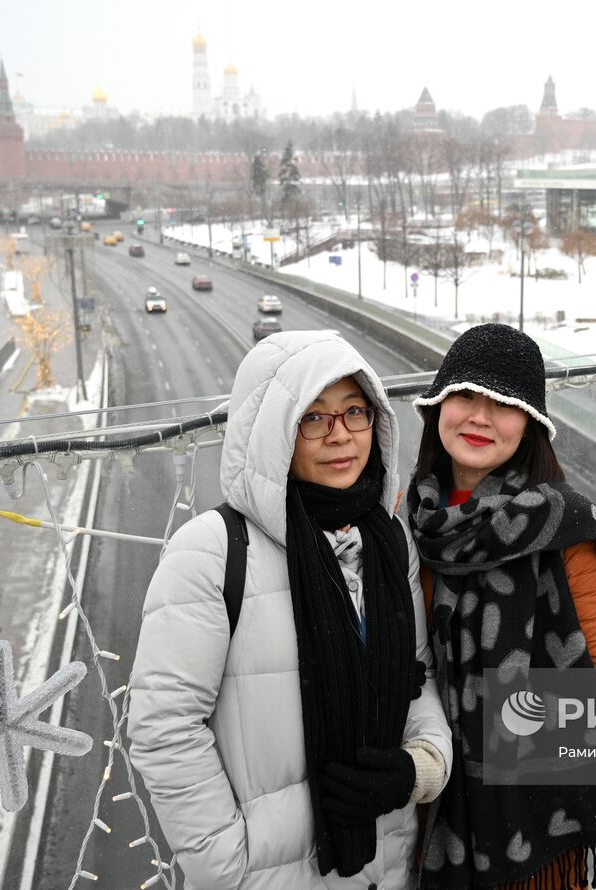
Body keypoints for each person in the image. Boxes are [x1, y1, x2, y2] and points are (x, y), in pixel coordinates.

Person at [129, 331, 452, 888]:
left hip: (385, 866)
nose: (340, 436)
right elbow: (164, 727)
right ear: (273, 432)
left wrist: (419, 768)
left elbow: (415, 682)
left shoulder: (388, 543)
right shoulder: (212, 551)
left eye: (355, 413)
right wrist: (229, 867)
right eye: (313, 418)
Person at [407, 324, 596, 889]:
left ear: (531, 424)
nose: (480, 418)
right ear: (439, 406)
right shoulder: (413, 518)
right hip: (427, 790)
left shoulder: (566, 527)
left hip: (534, 821)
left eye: (504, 404)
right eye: (465, 395)